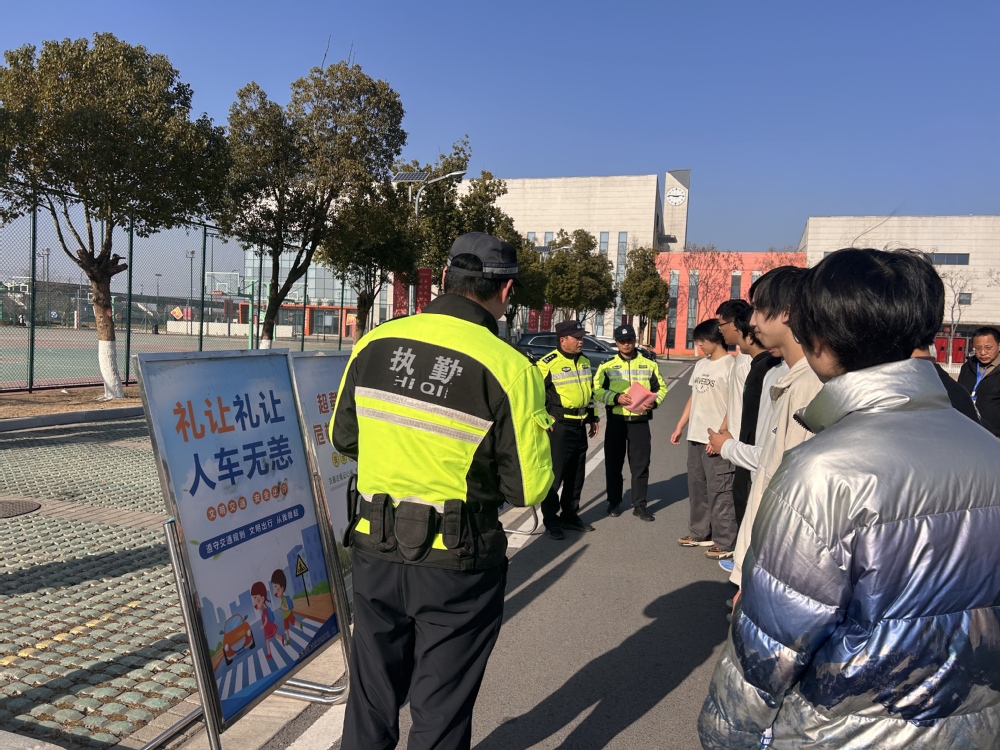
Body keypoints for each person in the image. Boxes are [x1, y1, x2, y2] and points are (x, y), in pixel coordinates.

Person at [699, 248, 1000, 749]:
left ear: (819, 340)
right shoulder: (988, 448)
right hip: (972, 728)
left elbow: (771, 649)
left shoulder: (824, 470)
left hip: (844, 731)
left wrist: (725, 736)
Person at [329, 232, 554, 750]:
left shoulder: (375, 342)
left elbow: (344, 437)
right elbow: (528, 486)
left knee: (370, 697)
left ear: (446, 278)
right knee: (441, 709)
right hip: (458, 563)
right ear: (506, 290)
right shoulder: (509, 367)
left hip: (374, 548)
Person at [724, 266, 822, 592]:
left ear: (787, 312)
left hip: (774, 572)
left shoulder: (809, 386)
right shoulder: (795, 380)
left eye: (759, 309)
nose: (752, 321)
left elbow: (789, 494)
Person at [671, 319, 737, 560]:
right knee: (697, 487)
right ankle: (700, 532)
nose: (699, 345)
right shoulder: (700, 365)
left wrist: (721, 434)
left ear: (716, 339)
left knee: (720, 490)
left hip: (716, 439)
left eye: (702, 340)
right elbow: (694, 397)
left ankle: (725, 540)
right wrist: (680, 425)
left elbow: (733, 404)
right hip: (696, 436)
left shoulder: (731, 366)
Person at [592, 323, 666, 521]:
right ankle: (613, 502)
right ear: (616, 343)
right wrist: (615, 397)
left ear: (635, 340)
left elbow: (661, 388)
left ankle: (640, 506)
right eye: (622, 341)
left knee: (641, 465)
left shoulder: (649, 364)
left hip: (639, 422)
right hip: (616, 422)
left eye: (629, 340)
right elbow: (596, 390)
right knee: (613, 465)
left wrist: (654, 403)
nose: (626, 344)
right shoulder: (607, 365)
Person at [537, 319, 600, 539]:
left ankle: (570, 515)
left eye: (582, 338)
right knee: (555, 477)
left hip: (580, 425)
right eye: (577, 338)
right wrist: (545, 419)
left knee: (576, 476)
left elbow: (589, 392)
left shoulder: (584, 361)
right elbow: (533, 396)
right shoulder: (547, 363)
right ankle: (551, 520)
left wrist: (593, 416)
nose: (581, 341)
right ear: (563, 340)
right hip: (559, 428)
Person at [958, 325, 1000, 436]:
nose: (982, 352)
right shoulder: (967, 367)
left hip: (994, 436)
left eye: (988, 348)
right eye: (978, 348)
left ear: (999, 346)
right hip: (967, 431)